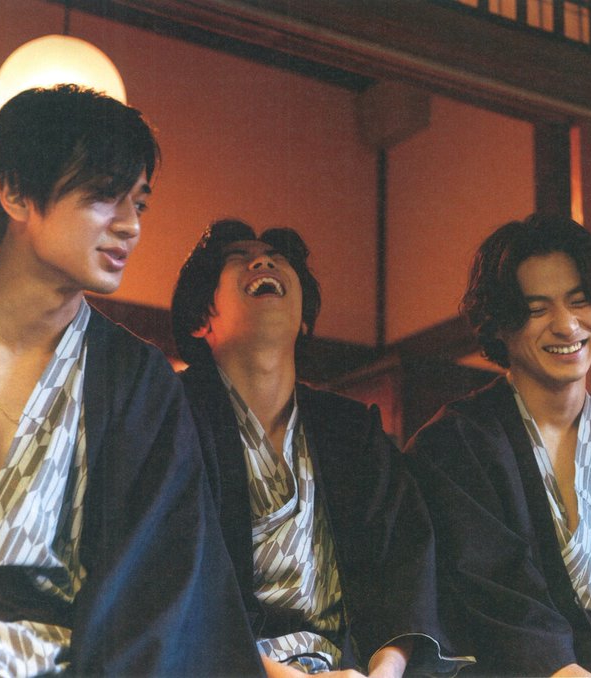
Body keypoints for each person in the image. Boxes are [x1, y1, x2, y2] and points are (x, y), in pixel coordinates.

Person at [0, 85, 262, 676]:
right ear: (15, 193)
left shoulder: (138, 379)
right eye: (105, 196)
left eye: (140, 204)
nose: (130, 226)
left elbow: (163, 586)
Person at [171, 218, 472, 678]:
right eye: (238, 258)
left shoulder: (350, 429)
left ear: (305, 318)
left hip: (349, 666)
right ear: (200, 319)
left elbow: (401, 563)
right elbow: (164, 579)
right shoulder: (170, 417)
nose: (263, 261)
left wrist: (385, 671)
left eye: (276, 258)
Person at [405, 213, 591, 676]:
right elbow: (491, 591)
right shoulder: (452, 447)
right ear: (500, 325)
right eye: (537, 310)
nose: (567, 326)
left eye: (580, 302)